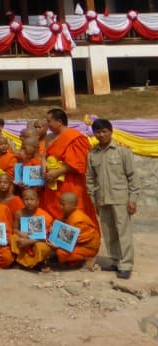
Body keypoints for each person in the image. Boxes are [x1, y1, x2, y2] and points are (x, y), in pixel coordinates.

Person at [86, 118, 139, 279]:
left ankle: (126, 264)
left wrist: (133, 199)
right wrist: (93, 200)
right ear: (94, 134)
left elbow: (132, 177)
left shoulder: (123, 152)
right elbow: (89, 179)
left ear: (111, 131)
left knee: (123, 231)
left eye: (104, 131)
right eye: (98, 132)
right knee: (109, 232)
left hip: (121, 198)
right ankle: (116, 260)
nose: (101, 135)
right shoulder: (92, 155)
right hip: (102, 199)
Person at [42, 108, 96, 226]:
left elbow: (79, 162)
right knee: (54, 210)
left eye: (49, 121)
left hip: (70, 182)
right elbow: (45, 156)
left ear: (59, 121)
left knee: (72, 211)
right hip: (52, 183)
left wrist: (56, 172)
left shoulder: (74, 137)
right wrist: (43, 166)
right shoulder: (49, 137)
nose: (48, 124)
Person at [52, 192, 100, 269]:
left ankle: (87, 259)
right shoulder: (66, 214)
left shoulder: (78, 219)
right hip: (75, 244)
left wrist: (57, 242)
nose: (61, 207)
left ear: (73, 206)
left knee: (61, 253)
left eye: (63, 205)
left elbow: (74, 239)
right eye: (60, 204)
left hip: (87, 248)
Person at [10, 188, 53, 272]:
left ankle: (40, 262)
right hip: (24, 237)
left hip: (38, 241)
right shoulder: (19, 213)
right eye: (26, 199)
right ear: (22, 200)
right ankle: (20, 262)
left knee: (42, 247)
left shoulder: (44, 215)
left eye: (32, 199)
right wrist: (21, 234)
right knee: (13, 238)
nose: (29, 202)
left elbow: (47, 236)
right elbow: (14, 229)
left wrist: (30, 241)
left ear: (37, 201)